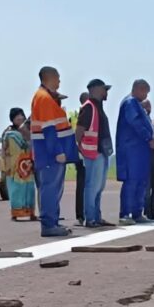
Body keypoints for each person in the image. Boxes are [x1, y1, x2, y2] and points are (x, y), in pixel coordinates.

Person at [30, 66, 79, 237]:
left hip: (49, 154)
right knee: (50, 189)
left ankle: (53, 222)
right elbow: (49, 129)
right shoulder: (43, 98)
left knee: (54, 189)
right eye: (58, 77)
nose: (59, 81)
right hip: (50, 155)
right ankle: (49, 225)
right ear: (49, 78)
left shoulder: (46, 98)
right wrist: (57, 151)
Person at [116, 79, 154, 225]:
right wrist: (148, 137)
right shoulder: (130, 103)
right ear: (139, 89)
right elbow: (135, 123)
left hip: (140, 149)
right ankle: (125, 214)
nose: (146, 96)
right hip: (131, 148)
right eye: (145, 92)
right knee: (132, 180)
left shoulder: (137, 104)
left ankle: (137, 212)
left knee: (141, 181)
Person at [74, 80, 113, 228]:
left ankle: (96, 216)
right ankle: (90, 218)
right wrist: (80, 151)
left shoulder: (98, 107)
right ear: (96, 89)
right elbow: (79, 132)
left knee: (98, 187)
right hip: (93, 154)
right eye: (105, 89)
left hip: (101, 153)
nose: (106, 93)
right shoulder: (89, 108)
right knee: (92, 186)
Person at [2, 108, 36, 221]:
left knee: (29, 189)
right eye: (17, 116)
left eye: (21, 116)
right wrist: (5, 166)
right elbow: (4, 151)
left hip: (27, 165)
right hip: (14, 167)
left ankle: (31, 212)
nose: (20, 118)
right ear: (12, 119)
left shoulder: (28, 130)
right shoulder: (8, 134)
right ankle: (16, 213)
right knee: (16, 189)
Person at [68, 92, 89, 225]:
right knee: (82, 185)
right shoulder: (78, 114)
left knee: (89, 185)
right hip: (81, 154)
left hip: (88, 153)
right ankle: (81, 215)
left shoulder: (76, 114)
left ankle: (86, 213)